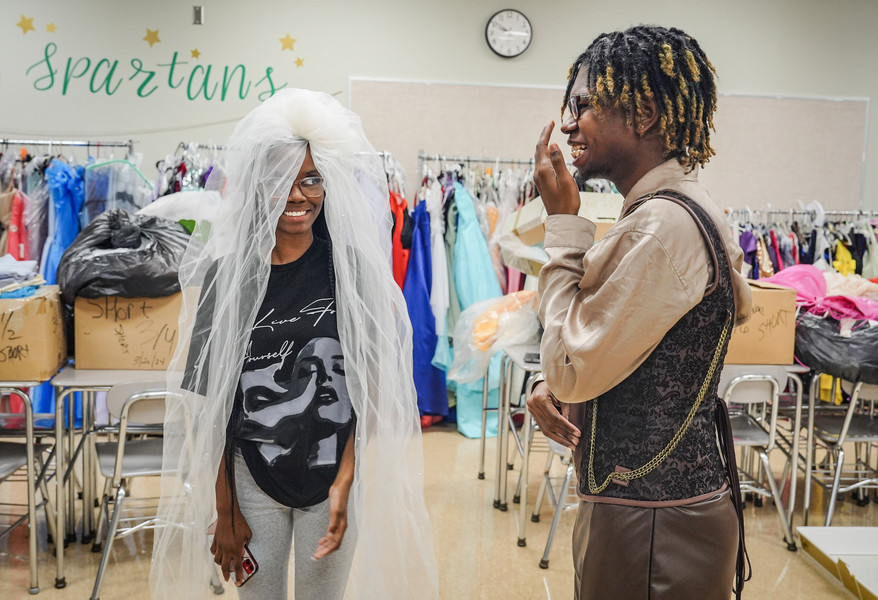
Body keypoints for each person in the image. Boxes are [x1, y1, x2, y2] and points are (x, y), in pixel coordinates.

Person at [150, 89, 438, 600]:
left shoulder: (349, 272)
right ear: (259, 186)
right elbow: (213, 407)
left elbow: (369, 390)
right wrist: (224, 509)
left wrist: (346, 480)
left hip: (332, 477)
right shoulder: (228, 277)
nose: (298, 194)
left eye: (311, 179)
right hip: (251, 480)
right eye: (282, 180)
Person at [527, 25, 753, 600]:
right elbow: (642, 347)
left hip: (653, 519)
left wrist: (562, 229)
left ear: (646, 112)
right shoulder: (671, 211)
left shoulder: (661, 225)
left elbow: (574, 363)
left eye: (584, 105)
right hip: (649, 508)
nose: (569, 122)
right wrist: (562, 381)